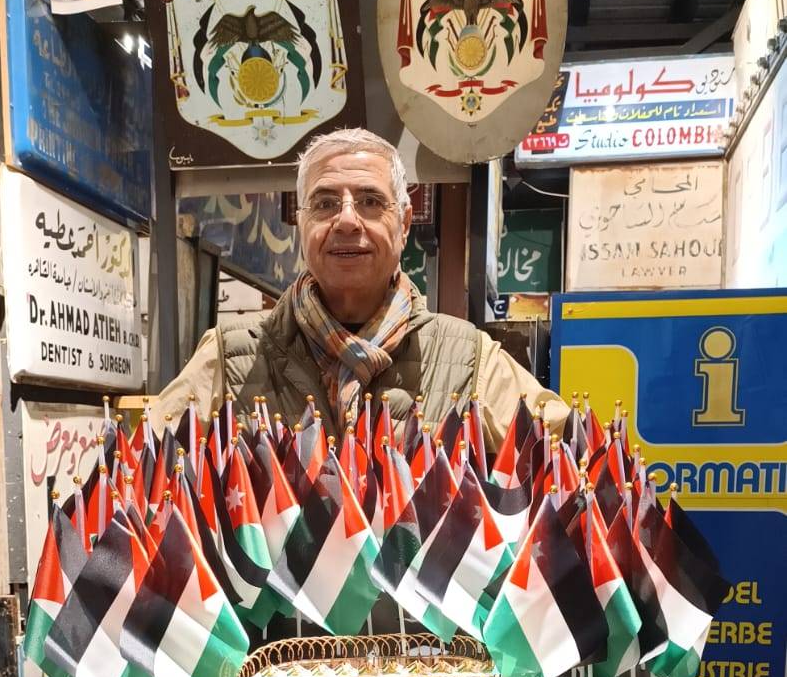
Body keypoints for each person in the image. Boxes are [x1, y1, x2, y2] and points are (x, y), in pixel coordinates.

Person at [150, 127, 567, 442]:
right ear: (301, 223)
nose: (347, 220)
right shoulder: (230, 355)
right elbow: (143, 472)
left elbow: (570, 462)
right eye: (325, 203)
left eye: (370, 201)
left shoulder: (469, 360)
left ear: (404, 223)